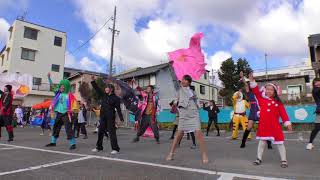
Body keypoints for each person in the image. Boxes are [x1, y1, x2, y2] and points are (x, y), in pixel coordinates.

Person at [248, 72, 292, 168]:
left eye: (271, 90)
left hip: (275, 126)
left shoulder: (278, 102)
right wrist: (252, 81)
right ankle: (258, 158)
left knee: (280, 143)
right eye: (267, 89)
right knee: (262, 142)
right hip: (264, 125)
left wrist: (287, 123)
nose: (268, 91)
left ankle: (284, 160)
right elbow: (256, 91)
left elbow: (283, 114)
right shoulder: (261, 99)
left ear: (274, 91)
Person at [166, 75, 208, 164]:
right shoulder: (179, 88)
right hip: (183, 114)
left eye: (185, 80)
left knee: (199, 133)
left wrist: (195, 99)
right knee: (179, 134)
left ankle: (204, 154)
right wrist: (171, 66)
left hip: (193, 113)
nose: (183, 81)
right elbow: (174, 79)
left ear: (189, 82)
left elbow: (197, 101)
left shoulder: (192, 90)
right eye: (183, 80)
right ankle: (171, 153)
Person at [91, 76, 124, 154]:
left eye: (107, 88)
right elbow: (97, 89)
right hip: (102, 117)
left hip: (110, 117)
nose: (105, 89)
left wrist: (121, 118)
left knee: (112, 133)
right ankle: (99, 147)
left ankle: (115, 149)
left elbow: (118, 109)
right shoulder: (103, 95)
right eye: (105, 88)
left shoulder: (116, 98)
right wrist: (93, 81)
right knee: (100, 132)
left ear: (111, 89)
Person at [240, 72, 272, 149]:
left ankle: (269, 143)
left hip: (260, 110)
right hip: (253, 111)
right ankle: (243, 142)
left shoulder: (259, 93)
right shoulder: (249, 93)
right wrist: (242, 77)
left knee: (265, 127)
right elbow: (246, 84)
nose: (249, 85)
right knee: (249, 127)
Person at [45, 73, 77, 150]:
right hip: (59, 113)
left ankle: (73, 143)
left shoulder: (70, 95)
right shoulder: (58, 93)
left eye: (63, 86)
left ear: (66, 87)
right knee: (56, 127)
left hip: (66, 114)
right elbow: (53, 87)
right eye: (61, 85)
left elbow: (75, 105)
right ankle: (53, 142)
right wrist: (49, 78)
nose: (61, 87)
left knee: (68, 128)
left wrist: (72, 109)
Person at [306, 78, 320, 150]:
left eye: (318, 81)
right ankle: (310, 143)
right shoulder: (315, 90)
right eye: (315, 82)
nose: (317, 83)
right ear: (314, 84)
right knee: (317, 128)